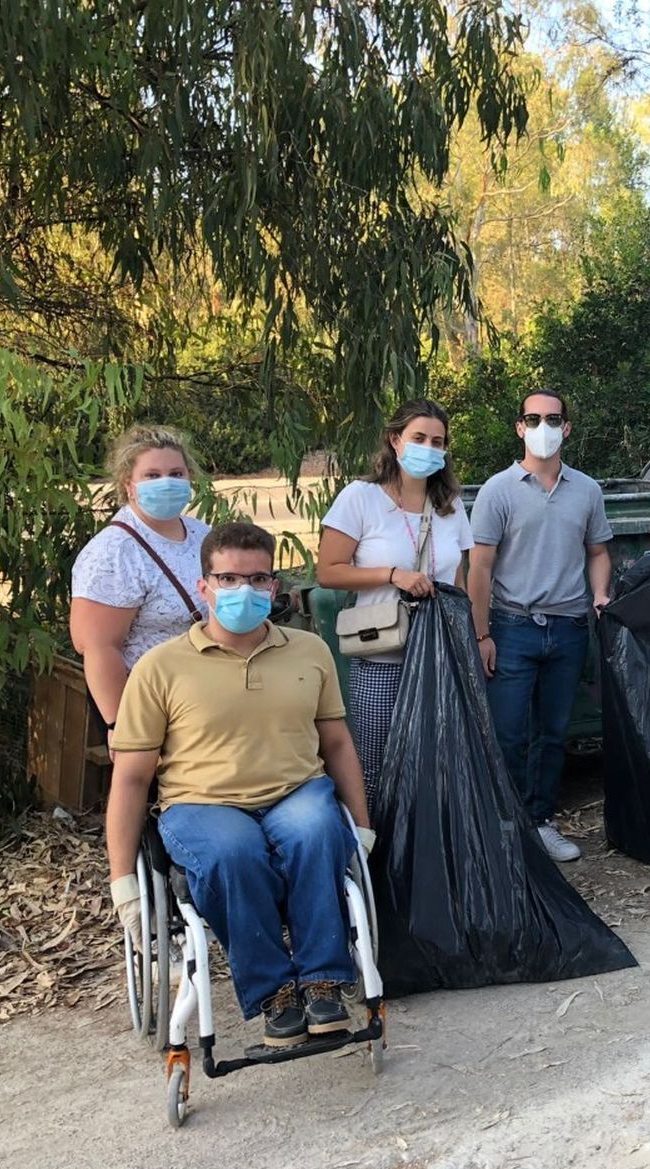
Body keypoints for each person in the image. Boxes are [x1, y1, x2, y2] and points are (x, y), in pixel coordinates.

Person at [106, 522, 374, 1048]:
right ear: (203, 585)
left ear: (273, 588)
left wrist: (360, 826)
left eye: (256, 579)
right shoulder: (159, 669)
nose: (242, 591)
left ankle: (324, 983)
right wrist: (124, 886)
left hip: (294, 790)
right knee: (234, 854)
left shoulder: (309, 652)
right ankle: (274, 993)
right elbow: (133, 776)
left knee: (317, 833)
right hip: (201, 803)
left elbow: (338, 744)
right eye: (227, 578)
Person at [469, 389, 613, 863]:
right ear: (520, 427)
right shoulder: (498, 490)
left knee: (554, 733)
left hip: (569, 627)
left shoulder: (587, 490)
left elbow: (597, 551)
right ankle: (507, 827)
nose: (544, 427)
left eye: (553, 419)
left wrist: (599, 594)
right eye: (534, 418)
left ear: (567, 428)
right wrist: (482, 632)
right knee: (509, 732)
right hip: (512, 628)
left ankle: (541, 821)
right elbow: (481, 567)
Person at [316, 400, 476, 803]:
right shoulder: (361, 498)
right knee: (377, 761)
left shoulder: (451, 505)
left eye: (437, 441)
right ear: (395, 440)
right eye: (419, 437)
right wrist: (391, 575)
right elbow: (329, 570)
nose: (429, 448)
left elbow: (459, 578)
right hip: (383, 652)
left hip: (439, 656)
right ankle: (377, 851)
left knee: (440, 759)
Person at [71, 425, 210, 735]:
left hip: (203, 698)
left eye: (176, 473)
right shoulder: (113, 553)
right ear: (128, 485)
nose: (167, 482)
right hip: (148, 706)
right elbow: (99, 647)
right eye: (152, 475)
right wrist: (122, 726)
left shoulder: (202, 535)